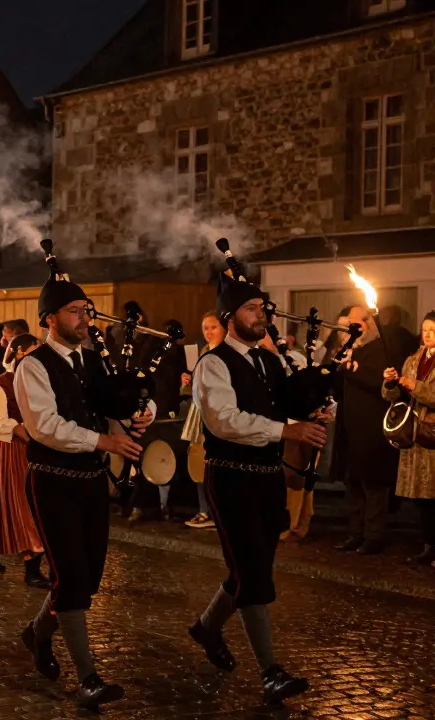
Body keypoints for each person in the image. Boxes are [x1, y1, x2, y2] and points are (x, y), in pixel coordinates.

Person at [188, 260, 330, 706]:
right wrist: (286, 430)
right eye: (251, 308)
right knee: (251, 571)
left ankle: (207, 627)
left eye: (261, 307)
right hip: (230, 480)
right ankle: (270, 672)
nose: (261, 314)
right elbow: (225, 421)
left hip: (267, 479)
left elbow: (286, 408)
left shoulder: (269, 362)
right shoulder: (213, 365)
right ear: (231, 317)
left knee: (251, 568)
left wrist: (310, 415)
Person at [15, 252, 152, 711]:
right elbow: (44, 427)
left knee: (87, 578)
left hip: (92, 483)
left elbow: (116, 406)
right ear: (49, 318)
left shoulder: (94, 364)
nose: (84, 318)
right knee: (71, 574)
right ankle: (88, 677)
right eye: (75, 311)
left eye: (86, 310)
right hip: (52, 483)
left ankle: (38, 631)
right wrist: (104, 443)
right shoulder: (32, 366)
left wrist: (138, 415)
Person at [333, 304, 417, 554]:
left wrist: (356, 371)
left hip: (371, 429)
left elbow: (384, 388)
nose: (345, 331)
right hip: (350, 429)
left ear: (366, 325)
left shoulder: (381, 351)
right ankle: (355, 533)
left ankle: (374, 535)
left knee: (374, 486)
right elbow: (339, 386)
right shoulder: (350, 352)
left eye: (351, 325)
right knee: (354, 484)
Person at [0, 333, 48, 588]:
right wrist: (17, 428)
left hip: (37, 450)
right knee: (26, 507)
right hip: (14, 450)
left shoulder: (39, 381)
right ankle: (32, 568)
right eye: (33, 351)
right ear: (19, 352)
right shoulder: (3, 384)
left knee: (24, 505)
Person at [384, 310, 435, 566]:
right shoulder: (412, 359)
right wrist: (391, 383)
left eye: (433, 330)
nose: (428, 334)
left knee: (434, 494)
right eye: (425, 329)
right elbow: (395, 399)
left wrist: (417, 386)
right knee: (420, 496)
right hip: (413, 434)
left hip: (432, 435)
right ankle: (428, 543)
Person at [181, 311, 226, 530]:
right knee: (198, 461)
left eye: (213, 327)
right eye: (205, 328)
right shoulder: (203, 352)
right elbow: (193, 390)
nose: (209, 332)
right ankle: (204, 510)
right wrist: (187, 381)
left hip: (219, 414)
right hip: (199, 414)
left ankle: (218, 512)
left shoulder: (228, 354)